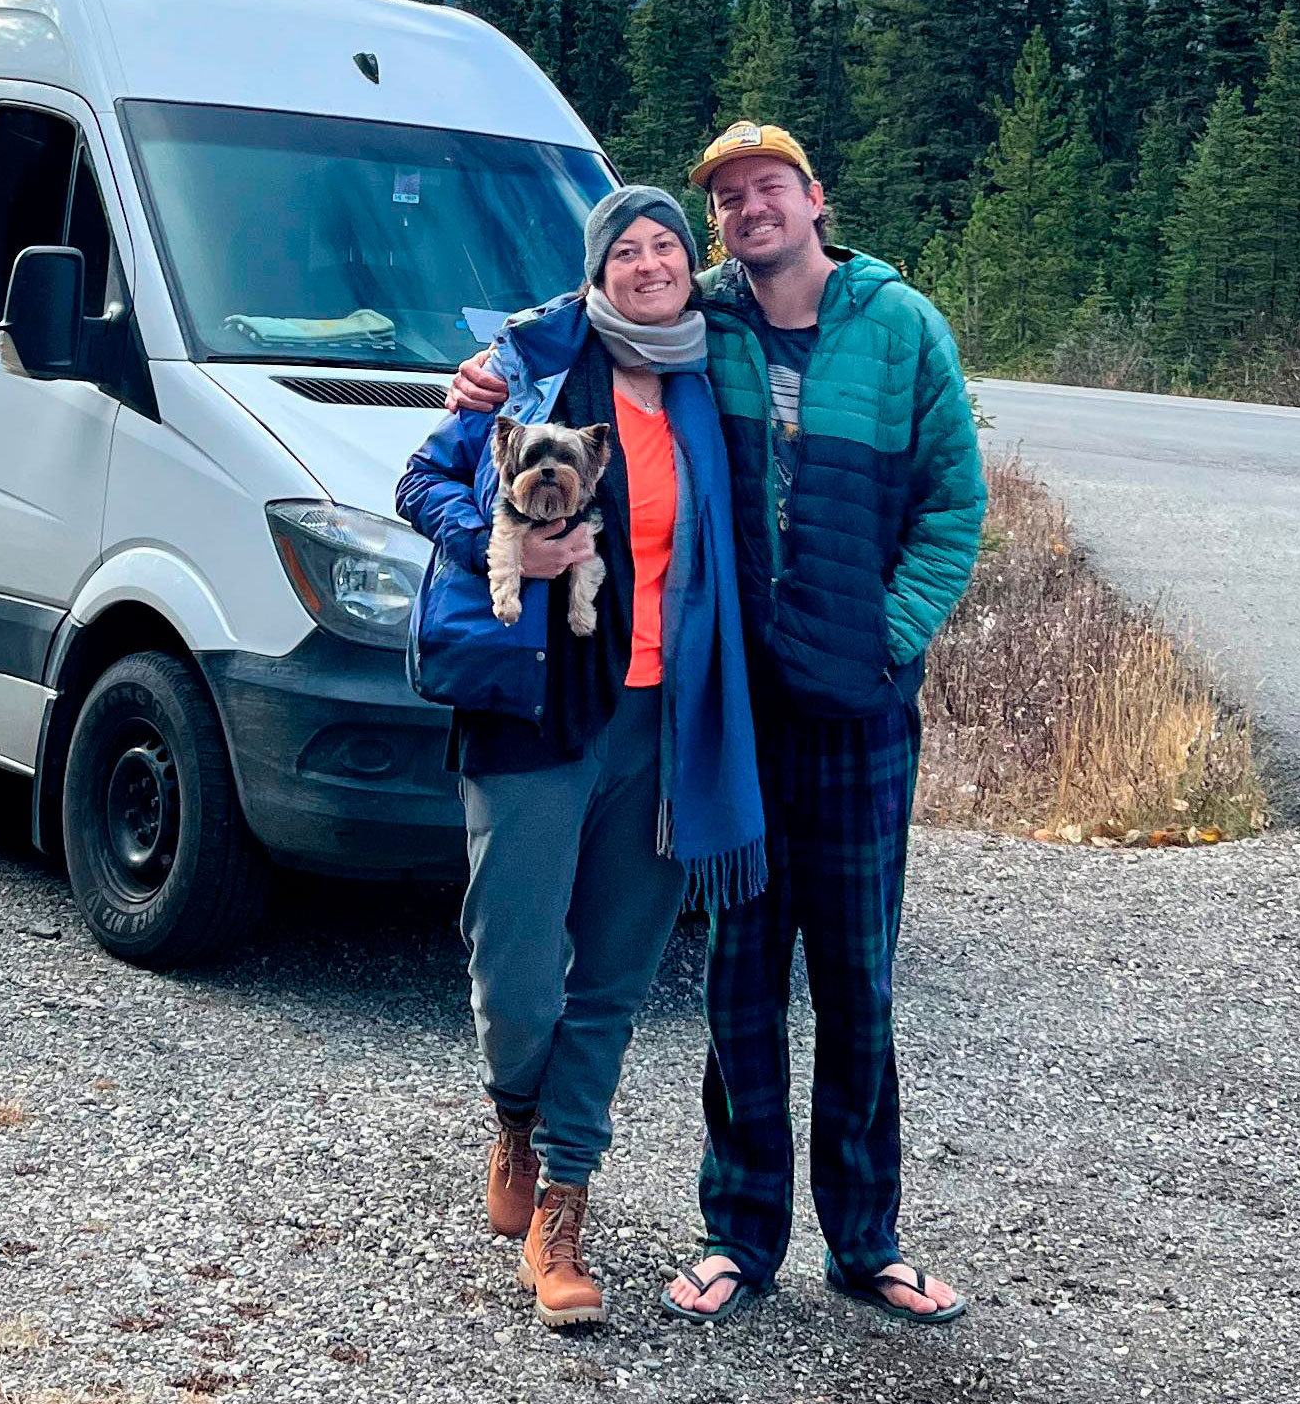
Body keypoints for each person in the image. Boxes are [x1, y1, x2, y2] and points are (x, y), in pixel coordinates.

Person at [449, 124, 984, 1328]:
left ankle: (867, 1241)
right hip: (731, 720)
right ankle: (739, 1234)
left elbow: (955, 507)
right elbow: (599, 296)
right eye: (727, 199)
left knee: (857, 984)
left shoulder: (900, 330)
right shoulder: (715, 328)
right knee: (739, 983)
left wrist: (884, 643)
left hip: (854, 717)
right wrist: (489, 366)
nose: (746, 213)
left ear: (814, 200)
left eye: (766, 191)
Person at [397, 186, 765, 1332]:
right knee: (512, 959)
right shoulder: (533, 368)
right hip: (537, 711)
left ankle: (564, 1202)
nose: (651, 263)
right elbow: (420, 482)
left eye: (667, 245)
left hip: (673, 722)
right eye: (628, 250)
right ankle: (514, 1111)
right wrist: (511, 540)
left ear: (687, 266)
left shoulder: (716, 377)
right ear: (597, 272)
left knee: (613, 975)